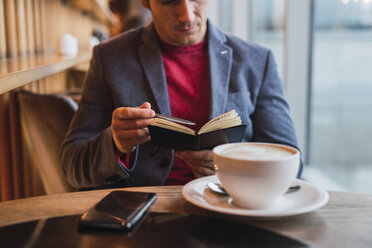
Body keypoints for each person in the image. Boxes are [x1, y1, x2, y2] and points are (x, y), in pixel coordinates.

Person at [60, 0, 302, 189]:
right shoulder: (110, 58)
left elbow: (292, 162)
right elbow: (71, 164)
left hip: (230, 207)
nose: (187, 15)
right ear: (145, 2)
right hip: (145, 216)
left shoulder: (257, 61)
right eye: (169, 2)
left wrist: (232, 167)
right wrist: (115, 143)